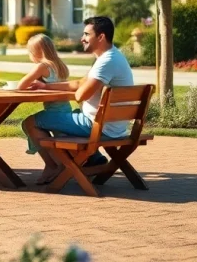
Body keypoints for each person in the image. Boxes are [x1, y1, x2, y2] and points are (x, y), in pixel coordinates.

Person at [22, 16, 134, 185]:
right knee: (66, 118)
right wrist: (45, 87)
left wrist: (79, 88)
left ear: (101, 37)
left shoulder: (106, 62)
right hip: (113, 126)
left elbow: (81, 95)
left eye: (87, 34)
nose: (82, 38)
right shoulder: (111, 56)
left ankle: (53, 166)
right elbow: (79, 83)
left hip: (96, 126)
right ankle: (90, 160)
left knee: (30, 123)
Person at [17, 34, 73, 158]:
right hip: (66, 111)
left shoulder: (42, 66)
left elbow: (21, 85)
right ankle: (57, 162)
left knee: (28, 123)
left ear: (36, 53)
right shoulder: (60, 65)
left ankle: (52, 163)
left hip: (55, 114)